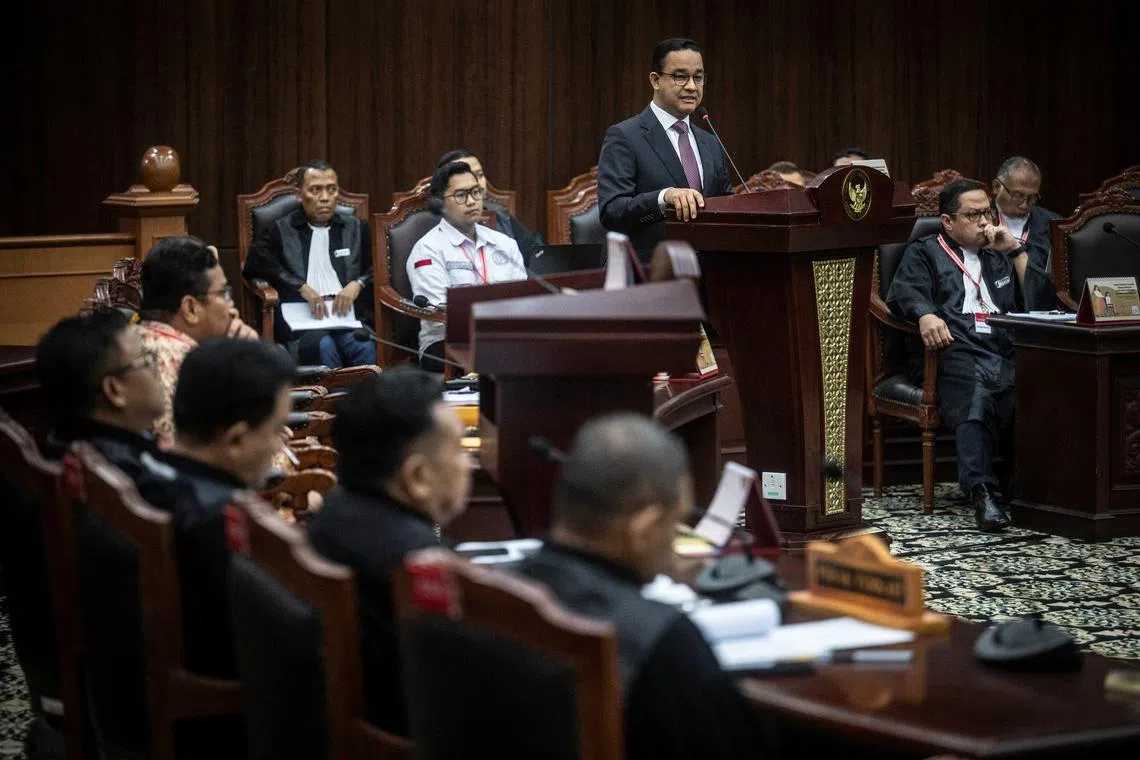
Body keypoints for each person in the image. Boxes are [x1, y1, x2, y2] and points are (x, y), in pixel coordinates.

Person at [516, 413, 764, 760]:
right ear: (643, 528)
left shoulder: (499, 589)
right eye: (675, 524)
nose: (675, 541)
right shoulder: (665, 645)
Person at [307, 366, 471, 736]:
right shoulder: (418, 569)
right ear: (418, 477)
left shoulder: (331, 515)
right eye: (460, 448)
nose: (466, 463)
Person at [137, 338, 295, 678]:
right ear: (236, 440)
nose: (279, 443)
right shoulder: (219, 522)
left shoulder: (144, 470)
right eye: (275, 430)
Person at [887, 179, 1029, 531]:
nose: (985, 222)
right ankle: (981, 492)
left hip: (1002, 346)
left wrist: (1016, 251)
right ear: (948, 221)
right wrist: (926, 313)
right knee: (976, 391)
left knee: (1035, 387)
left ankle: (1023, 487)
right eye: (973, 215)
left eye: (987, 213)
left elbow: (1037, 300)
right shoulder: (924, 252)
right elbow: (904, 293)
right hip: (951, 349)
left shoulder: (998, 253)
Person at [596, 37, 733, 259]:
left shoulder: (710, 142)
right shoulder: (625, 136)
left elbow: (726, 203)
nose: (691, 86)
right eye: (680, 77)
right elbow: (612, 211)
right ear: (655, 80)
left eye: (698, 78)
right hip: (648, 274)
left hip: (709, 275)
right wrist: (663, 197)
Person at [243, 159, 377, 367]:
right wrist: (300, 286)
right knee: (324, 348)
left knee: (364, 347)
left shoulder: (357, 228)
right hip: (303, 321)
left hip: (348, 318)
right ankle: (329, 399)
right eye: (316, 190)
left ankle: (364, 400)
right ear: (299, 194)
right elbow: (254, 264)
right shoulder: (281, 230)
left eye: (331, 190)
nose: (325, 198)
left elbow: (380, 266)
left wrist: (357, 283)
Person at [135, 235, 259, 447]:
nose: (231, 308)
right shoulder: (193, 368)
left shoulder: (133, 341)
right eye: (223, 294)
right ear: (190, 308)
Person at [406, 161, 527, 369]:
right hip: (445, 344)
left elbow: (524, 297)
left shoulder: (504, 244)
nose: (472, 201)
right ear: (440, 204)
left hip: (501, 337)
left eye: (476, 192)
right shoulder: (427, 249)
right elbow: (440, 311)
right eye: (461, 195)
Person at [35, 310, 165, 473]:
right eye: (146, 360)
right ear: (114, 389)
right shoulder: (140, 481)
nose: (157, 368)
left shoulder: (65, 441)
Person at [436, 149, 545, 265]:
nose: (477, 183)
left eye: (480, 175)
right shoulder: (435, 223)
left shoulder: (498, 213)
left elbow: (534, 251)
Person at [990, 156, 1061, 311]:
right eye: (1018, 195)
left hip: (1040, 308)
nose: (1025, 203)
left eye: (1032, 197)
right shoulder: (980, 217)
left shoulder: (1054, 224)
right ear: (996, 187)